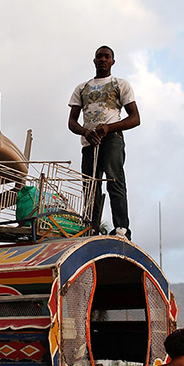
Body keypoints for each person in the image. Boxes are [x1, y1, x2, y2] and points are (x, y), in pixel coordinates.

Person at [68, 45, 140, 239]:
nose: (102, 59)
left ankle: (121, 228)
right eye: (99, 56)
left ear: (112, 61)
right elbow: (71, 122)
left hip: (112, 138)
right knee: (90, 185)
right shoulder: (82, 88)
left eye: (106, 57)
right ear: (94, 61)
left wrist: (109, 127)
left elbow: (135, 118)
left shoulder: (119, 84)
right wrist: (85, 131)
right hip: (89, 141)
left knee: (114, 179)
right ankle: (91, 228)